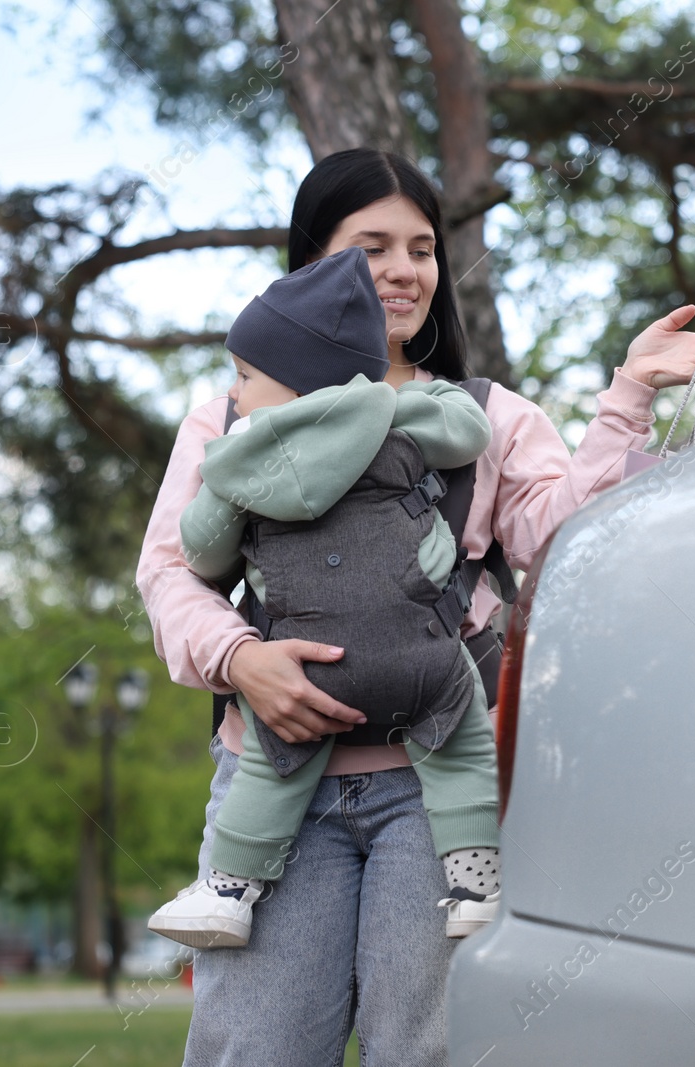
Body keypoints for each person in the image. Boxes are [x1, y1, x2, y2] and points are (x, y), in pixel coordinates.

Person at [136, 146, 695, 1066]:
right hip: (274, 791)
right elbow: (173, 572)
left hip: (439, 792)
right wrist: (238, 658)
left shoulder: (483, 416)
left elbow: (561, 544)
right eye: (372, 245)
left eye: (420, 247)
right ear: (311, 264)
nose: (404, 269)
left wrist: (629, 393)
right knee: (253, 1048)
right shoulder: (233, 420)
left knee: (426, 1049)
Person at [147, 247, 503, 952]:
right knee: (462, 748)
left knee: (270, 766)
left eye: (246, 375)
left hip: (307, 667)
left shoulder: (238, 458)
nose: (237, 393)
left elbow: (200, 553)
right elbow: (470, 432)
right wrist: (389, 397)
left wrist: (227, 487)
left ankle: (229, 889)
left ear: (292, 378)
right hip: (423, 651)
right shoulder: (397, 419)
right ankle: (477, 885)